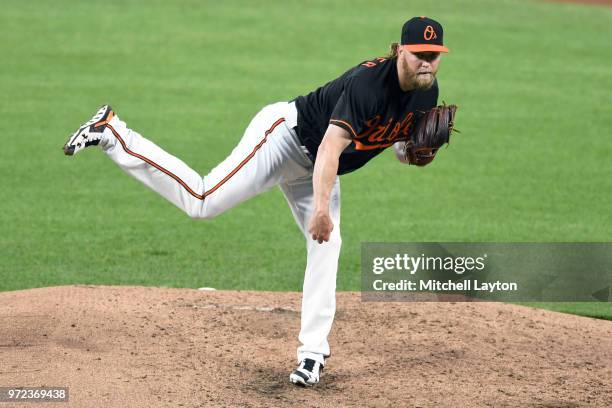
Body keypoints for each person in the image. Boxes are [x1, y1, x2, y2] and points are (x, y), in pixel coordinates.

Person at [63, 16, 450, 387]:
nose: (427, 63)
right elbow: (332, 147)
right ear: (399, 50)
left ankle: (312, 355)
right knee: (203, 201)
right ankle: (114, 132)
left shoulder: (427, 93)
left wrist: (414, 153)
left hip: (317, 167)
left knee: (328, 246)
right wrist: (319, 210)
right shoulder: (369, 84)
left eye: (433, 56)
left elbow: (400, 144)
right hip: (283, 140)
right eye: (419, 54)